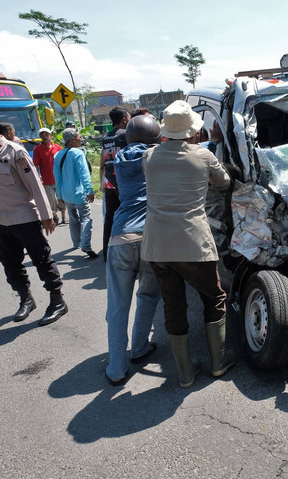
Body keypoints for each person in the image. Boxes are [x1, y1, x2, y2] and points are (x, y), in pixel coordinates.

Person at [141, 100, 233, 388]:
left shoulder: (149, 156)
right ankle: (218, 362)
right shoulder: (203, 156)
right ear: (193, 131)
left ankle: (184, 373)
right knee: (214, 298)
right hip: (193, 243)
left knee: (173, 304)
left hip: (158, 246)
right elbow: (224, 183)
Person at [0, 108, 68, 326]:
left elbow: (35, 185)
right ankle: (26, 299)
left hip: (24, 219)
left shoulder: (15, 152)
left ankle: (57, 300)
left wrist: (46, 216)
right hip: (1, 221)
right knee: (10, 264)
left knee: (42, 260)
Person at [104, 115, 162, 386]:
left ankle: (116, 369)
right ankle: (139, 348)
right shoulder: (158, 157)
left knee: (118, 306)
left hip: (120, 237)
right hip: (151, 237)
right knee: (148, 295)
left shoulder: (118, 159)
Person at [53, 128, 98, 258]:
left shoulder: (58, 155)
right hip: (79, 194)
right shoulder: (78, 153)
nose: (81, 139)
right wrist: (89, 190)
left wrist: (60, 196)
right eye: (79, 137)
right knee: (86, 218)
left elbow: (57, 178)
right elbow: (84, 174)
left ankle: (76, 243)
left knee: (73, 220)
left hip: (66, 195)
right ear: (72, 140)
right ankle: (86, 245)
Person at [100, 107, 130, 262]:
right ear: (124, 119)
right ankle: (126, 253)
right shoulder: (125, 135)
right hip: (123, 182)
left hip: (109, 182)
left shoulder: (106, 137)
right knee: (127, 216)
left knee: (110, 217)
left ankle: (106, 253)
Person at [32, 127, 65, 225]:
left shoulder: (58, 148)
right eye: (42, 135)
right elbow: (35, 165)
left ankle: (64, 218)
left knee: (61, 198)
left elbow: (63, 163)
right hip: (46, 180)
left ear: (51, 136)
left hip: (59, 179)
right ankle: (54, 217)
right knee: (51, 200)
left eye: (46, 134)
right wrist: (37, 178)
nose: (44, 137)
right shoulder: (37, 149)